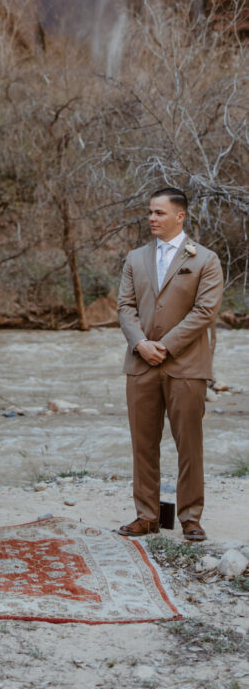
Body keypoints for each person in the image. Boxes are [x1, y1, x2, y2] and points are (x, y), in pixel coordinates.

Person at [117, 187, 223, 542]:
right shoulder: (134, 258)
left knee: (189, 444)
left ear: (180, 216)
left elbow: (205, 311)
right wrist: (141, 343)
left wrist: (166, 345)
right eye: (150, 212)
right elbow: (125, 307)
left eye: (159, 213)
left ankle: (190, 517)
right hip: (141, 363)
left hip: (187, 365)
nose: (152, 218)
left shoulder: (205, 260)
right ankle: (146, 516)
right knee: (143, 443)